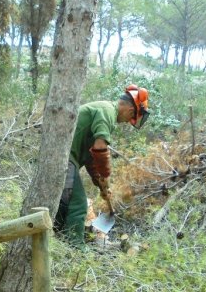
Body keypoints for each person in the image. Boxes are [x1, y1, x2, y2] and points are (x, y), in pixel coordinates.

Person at [55, 84, 150, 242]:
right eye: (131, 117)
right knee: (78, 204)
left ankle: (58, 239)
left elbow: (91, 158)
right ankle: (75, 246)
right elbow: (100, 147)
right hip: (63, 157)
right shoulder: (107, 111)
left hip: (63, 156)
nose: (128, 121)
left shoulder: (105, 112)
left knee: (64, 203)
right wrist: (106, 175)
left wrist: (101, 184)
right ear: (130, 110)